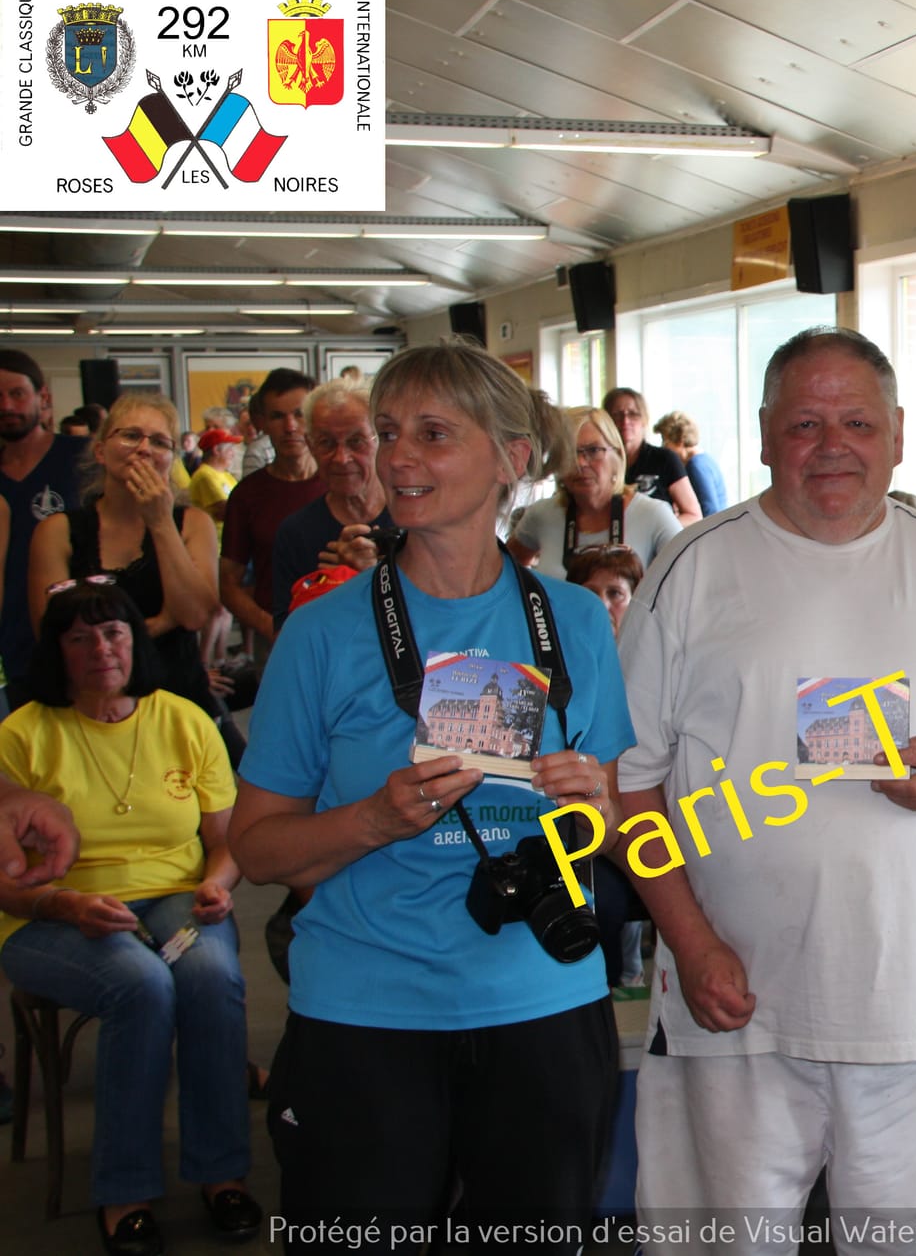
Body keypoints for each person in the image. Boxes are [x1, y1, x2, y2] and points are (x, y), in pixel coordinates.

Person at [616, 327, 916, 1252]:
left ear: (896, 433)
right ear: (764, 433)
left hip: (914, 1010)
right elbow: (630, 784)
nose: (832, 446)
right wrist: (690, 942)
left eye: (857, 422)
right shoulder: (692, 568)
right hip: (732, 1005)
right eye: (805, 423)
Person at [229, 342, 633, 1247]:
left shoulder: (573, 619)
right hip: (367, 1010)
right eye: (388, 432)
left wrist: (599, 811)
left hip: (542, 997)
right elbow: (256, 848)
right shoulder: (321, 632)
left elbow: (618, 821)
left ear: (512, 458)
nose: (397, 456)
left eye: (433, 433)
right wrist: (373, 820)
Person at [0, 581, 261, 1255]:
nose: (101, 649)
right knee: (140, 985)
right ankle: (125, 1190)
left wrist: (216, 884)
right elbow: (5, 883)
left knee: (208, 975)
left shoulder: (183, 719)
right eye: (79, 637)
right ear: (57, 652)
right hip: (51, 912)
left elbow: (226, 838)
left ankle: (222, 1174)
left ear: (135, 641)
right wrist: (62, 903)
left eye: (114, 632)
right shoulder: (22, 734)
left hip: (176, 894)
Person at [26, 396, 239, 763]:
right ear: (100, 451)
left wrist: (160, 522)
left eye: (159, 442)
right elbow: (52, 631)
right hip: (89, 709)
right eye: (130, 436)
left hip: (175, 698)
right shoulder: (58, 531)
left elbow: (194, 616)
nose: (144, 449)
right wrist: (160, 622)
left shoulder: (192, 524)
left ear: (171, 460)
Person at [563, 543, 647, 989]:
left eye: (615, 593)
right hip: (591, 827)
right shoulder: (562, 672)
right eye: (588, 592)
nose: (602, 605)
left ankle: (631, 971)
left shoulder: (656, 669)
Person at [268, 378, 393, 636]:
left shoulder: (416, 519)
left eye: (356, 441)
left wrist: (369, 577)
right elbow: (287, 635)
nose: (341, 458)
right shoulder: (297, 533)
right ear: (310, 446)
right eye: (326, 442)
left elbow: (447, 617)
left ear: (381, 440)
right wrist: (338, 584)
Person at [0, 349, 89, 702]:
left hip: (85, 636)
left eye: (17, 394)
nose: (6, 405)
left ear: (43, 398)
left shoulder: (83, 458)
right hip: (16, 645)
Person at [507, 406, 682, 580]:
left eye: (593, 450)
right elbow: (504, 571)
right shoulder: (542, 515)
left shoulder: (653, 514)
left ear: (617, 455)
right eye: (569, 452)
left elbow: (688, 578)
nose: (580, 463)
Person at [219, 369, 323, 658]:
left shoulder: (343, 483)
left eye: (299, 414)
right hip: (276, 639)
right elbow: (228, 584)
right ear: (262, 422)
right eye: (278, 416)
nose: (290, 426)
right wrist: (272, 628)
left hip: (347, 632)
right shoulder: (247, 495)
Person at [603, 386, 700, 522]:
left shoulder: (665, 459)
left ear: (644, 420)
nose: (625, 421)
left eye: (633, 414)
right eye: (617, 414)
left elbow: (694, 516)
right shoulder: (599, 463)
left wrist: (659, 528)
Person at [654, 410, 729, 516]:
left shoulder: (696, 466)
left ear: (679, 440)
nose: (663, 447)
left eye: (665, 441)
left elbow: (709, 511)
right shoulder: (705, 460)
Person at [187, 427, 241, 528]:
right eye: (230, 449)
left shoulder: (225, 475)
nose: (233, 454)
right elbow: (228, 512)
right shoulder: (205, 476)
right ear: (216, 450)